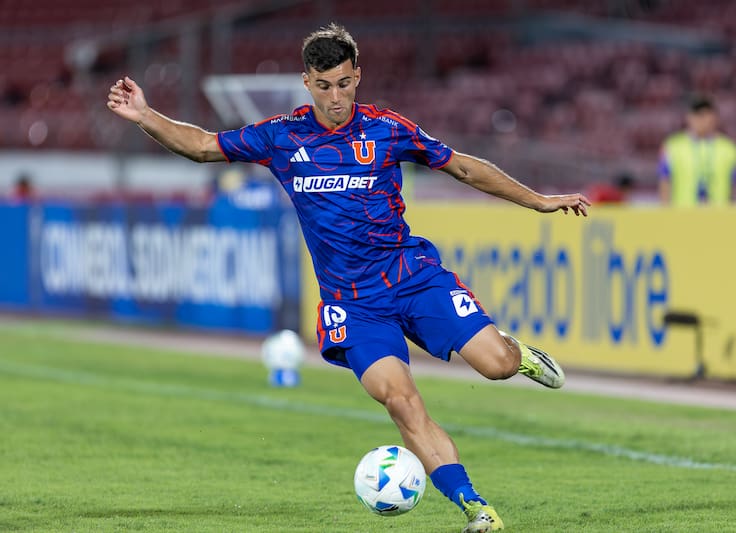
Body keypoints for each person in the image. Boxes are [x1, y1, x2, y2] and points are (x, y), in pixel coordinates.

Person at [107, 23, 590, 533]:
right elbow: (204, 145)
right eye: (323, 85)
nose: (335, 97)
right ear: (306, 82)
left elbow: (463, 168)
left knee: (497, 365)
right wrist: (144, 116)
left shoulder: (387, 129)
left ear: (357, 76)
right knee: (401, 401)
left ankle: (519, 355)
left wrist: (538, 200)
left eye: (343, 83)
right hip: (353, 306)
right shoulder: (281, 136)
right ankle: (477, 509)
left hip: (412, 278)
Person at [659, 94, 736, 206]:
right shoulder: (673, 146)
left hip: (719, 217)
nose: (699, 120)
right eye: (695, 115)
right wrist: (666, 213)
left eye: (704, 115)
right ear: (688, 117)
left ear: (714, 117)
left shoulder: (729, 148)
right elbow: (665, 181)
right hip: (683, 216)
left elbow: (734, 187)